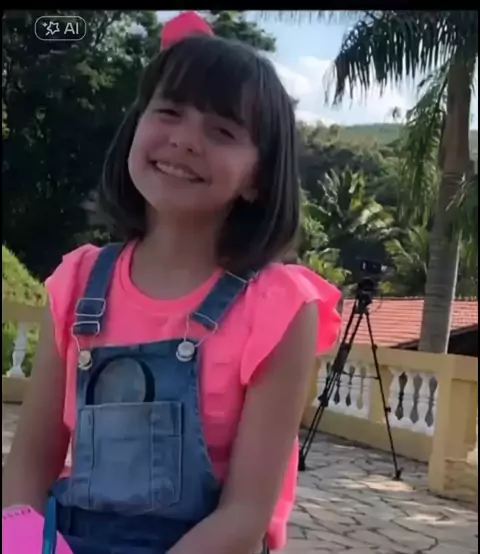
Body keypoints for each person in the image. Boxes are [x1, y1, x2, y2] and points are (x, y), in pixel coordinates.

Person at [2, 12, 342, 554]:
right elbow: (28, 463)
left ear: (257, 178)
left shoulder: (279, 306)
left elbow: (245, 515)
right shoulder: (77, 281)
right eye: (169, 112)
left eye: (222, 131)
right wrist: (22, 543)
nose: (184, 140)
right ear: (136, 126)